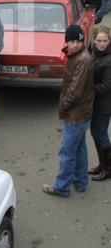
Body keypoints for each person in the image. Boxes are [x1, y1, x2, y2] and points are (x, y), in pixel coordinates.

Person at [43, 25, 95, 197]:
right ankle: (80, 182)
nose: (74, 45)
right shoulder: (76, 56)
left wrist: (62, 107)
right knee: (79, 149)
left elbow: (75, 91)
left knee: (66, 152)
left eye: (78, 41)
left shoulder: (83, 60)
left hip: (76, 114)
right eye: (71, 41)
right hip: (81, 113)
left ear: (82, 42)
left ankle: (61, 187)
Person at [88, 25, 111, 181]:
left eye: (105, 41)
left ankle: (108, 169)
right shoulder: (93, 52)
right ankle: (102, 165)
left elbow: (108, 85)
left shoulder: (109, 59)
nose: (102, 44)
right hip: (95, 103)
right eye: (99, 41)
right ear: (94, 40)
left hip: (105, 104)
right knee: (95, 133)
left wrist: (87, 90)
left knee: (101, 134)